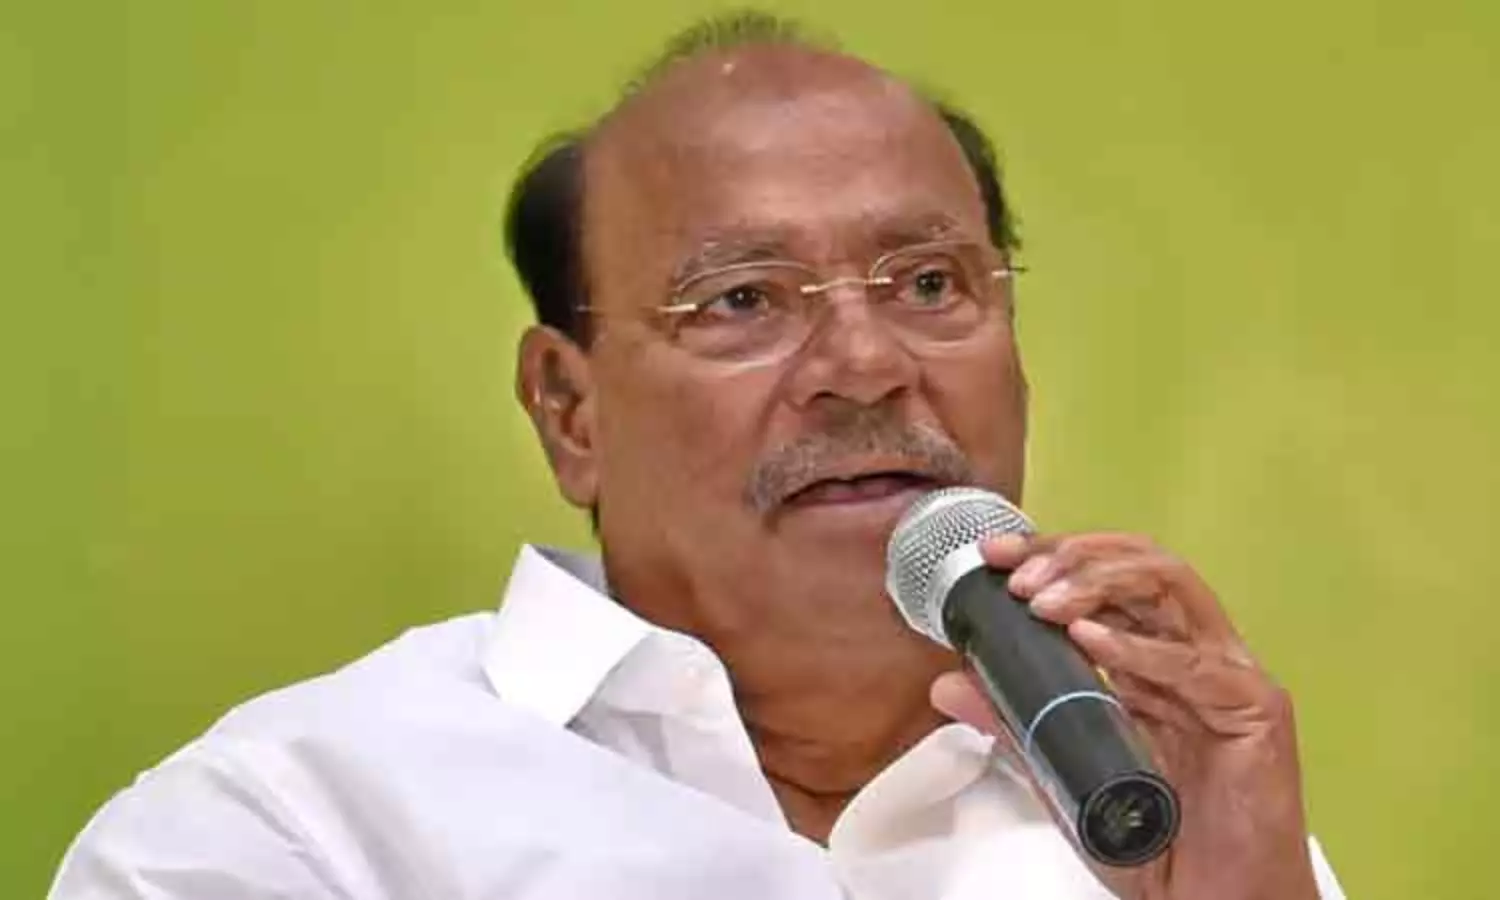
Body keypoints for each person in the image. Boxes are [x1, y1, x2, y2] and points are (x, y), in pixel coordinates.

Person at [50, 12, 1345, 900]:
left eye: (929, 282)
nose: (865, 365)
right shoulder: (296, 828)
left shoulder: (1144, 806)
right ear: (570, 412)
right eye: (742, 301)